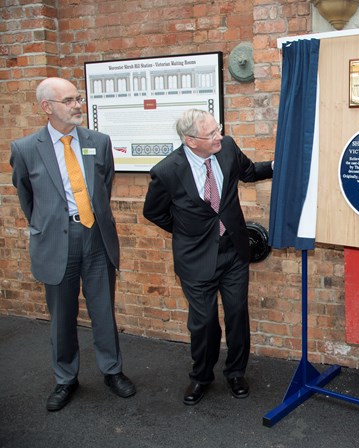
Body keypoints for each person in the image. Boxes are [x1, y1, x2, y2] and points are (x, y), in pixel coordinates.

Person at [10, 77, 136, 412]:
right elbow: (27, 198)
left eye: (78, 98)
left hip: (95, 237)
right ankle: (65, 379)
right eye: (68, 100)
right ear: (46, 107)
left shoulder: (99, 141)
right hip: (56, 241)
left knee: (103, 311)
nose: (77, 105)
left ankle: (112, 371)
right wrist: (50, 224)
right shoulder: (25, 149)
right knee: (62, 316)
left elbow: (103, 186)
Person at [143, 109, 273, 405]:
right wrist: (189, 231)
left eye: (219, 129)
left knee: (237, 314)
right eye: (211, 134)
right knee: (203, 323)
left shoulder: (226, 150)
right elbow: (153, 212)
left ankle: (236, 372)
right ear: (190, 140)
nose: (220, 137)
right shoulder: (167, 171)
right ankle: (201, 376)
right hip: (196, 258)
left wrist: (280, 165)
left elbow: (250, 172)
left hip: (234, 251)